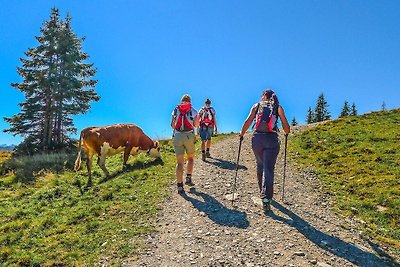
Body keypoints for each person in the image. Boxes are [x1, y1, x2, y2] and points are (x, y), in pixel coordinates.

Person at [239, 89, 290, 210]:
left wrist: (242, 133)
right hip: (271, 139)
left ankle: (262, 192)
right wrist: (287, 132)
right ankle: (266, 198)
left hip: (257, 139)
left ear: (263, 96)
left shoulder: (257, 106)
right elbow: (286, 126)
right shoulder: (277, 107)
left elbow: (249, 120)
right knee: (268, 168)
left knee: (260, 165)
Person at [171, 94, 199, 194]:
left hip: (178, 136)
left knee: (179, 163)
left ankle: (179, 186)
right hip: (189, 136)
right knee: (190, 158)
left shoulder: (175, 110)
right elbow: (196, 125)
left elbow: (172, 125)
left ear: (181, 101)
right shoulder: (194, 111)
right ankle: (188, 177)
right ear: (190, 101)